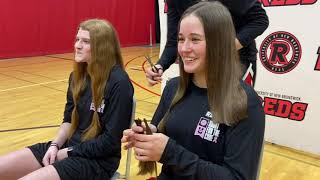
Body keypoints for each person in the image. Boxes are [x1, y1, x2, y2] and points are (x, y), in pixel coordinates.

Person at [122, 2, 265, 179]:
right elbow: (164, 136)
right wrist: (147, 137)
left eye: (195, 39)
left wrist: (170, 152)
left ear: (219, 42)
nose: (183, 48)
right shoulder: (173, 88)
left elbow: (236, 177)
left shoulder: (245, 103)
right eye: (182, 39)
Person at [0, 19, 134, 180]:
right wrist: (55, 145)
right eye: (77, 39)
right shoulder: (76, 77)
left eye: (85, 41)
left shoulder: (119, 82)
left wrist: (68, 153)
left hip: (97, 161)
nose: (77, 45)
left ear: (102, 47)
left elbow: (110, 142)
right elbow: (68, 120)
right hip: (69, 147)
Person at [146, 0, 269, 87]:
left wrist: (223, 48)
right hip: (202, 63)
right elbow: (174, 42)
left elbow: (260, 20)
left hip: (235, 60)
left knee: (233, 114)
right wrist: (161, 65)